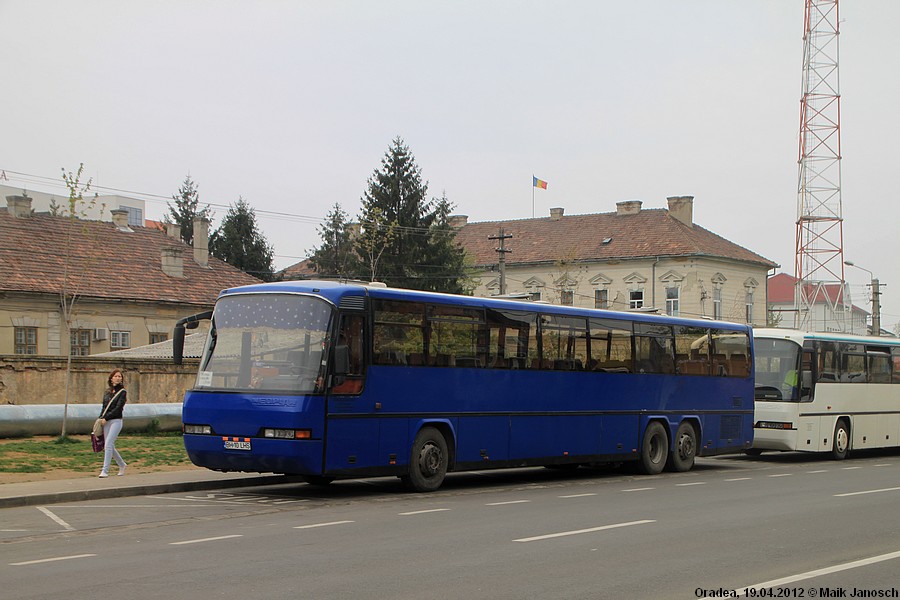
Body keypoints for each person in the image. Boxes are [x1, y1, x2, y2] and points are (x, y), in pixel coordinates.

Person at [98, 368, 128, 478]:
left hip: (116, 420)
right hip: (106, 420)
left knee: (108, 444)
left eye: (120, 376)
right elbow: (104, 407)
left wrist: (107, 417)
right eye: (116, 376)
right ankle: (122, 464)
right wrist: (101, 418)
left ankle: (105, 470)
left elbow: (118, 408)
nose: (118, 378)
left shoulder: (122, 392)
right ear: (111, 379)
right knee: (109, 445)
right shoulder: (107, 392)